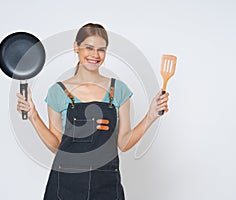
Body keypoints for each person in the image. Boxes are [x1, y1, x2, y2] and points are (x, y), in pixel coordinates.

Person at [16, 23, 169, 200]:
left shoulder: (118, 90)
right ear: (76, 47)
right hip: (66, 184)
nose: (95, 55)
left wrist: (151, 116)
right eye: (89, 48)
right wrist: (33, 115)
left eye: (101, 50)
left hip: (106, 184)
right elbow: (56, 145)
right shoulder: (57, 91)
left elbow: (124, 143)